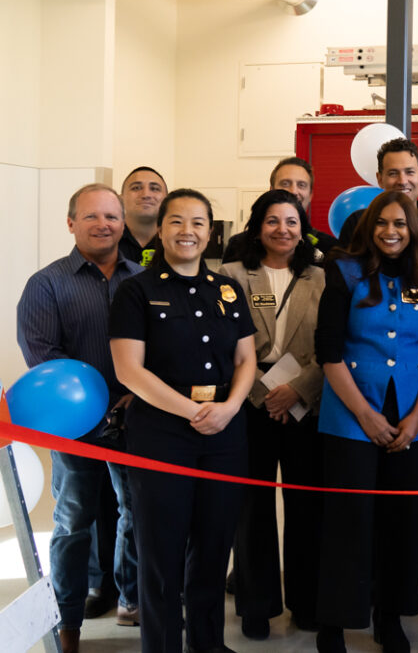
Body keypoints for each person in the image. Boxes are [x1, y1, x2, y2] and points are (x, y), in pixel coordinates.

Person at [110, 189, 257, 653]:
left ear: (211, 233)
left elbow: (246, 358)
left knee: (213, 549)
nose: (187, 232)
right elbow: (129, 369)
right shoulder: (136, 291)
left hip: (225, 435)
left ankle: (208, 644)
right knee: (161, 556)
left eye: (197, 223)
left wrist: (231, 408)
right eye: (176, 222)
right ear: (160, 230)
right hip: (163, 437)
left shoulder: (228, 290)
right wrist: (193, 411)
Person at [314, 191, 418, 653]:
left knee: (402, 523)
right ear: (369, 227)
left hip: (411, 417)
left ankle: (390, 617)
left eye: (401, 224)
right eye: (383, 223)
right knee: (349, 523)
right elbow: (327, 350)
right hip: (351, 416)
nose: (392, 232)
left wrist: (416, 418)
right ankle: (335, 622)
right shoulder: (344, 271)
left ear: (413, 232)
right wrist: (366, 415)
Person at [17, 183, 142, 653]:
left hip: (136, 418)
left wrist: (131, 397)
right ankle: (67, 622)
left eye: (111, 216)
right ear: (71, 223)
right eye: (91, 217)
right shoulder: (46, 284)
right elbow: (44, 358)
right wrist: (99, 403)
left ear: (123, 223)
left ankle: (131, 600)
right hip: (74, 428)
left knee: (136, 514)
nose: (102, 225)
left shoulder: (142, 280)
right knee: (72, 523)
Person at [340, 138, 418, 597]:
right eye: (392, 173)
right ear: (378, 179)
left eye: (410, 172)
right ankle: (373, 566)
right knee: (372, 477)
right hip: (370, 371)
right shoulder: (360, 223)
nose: (402, 181)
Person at [218, 189, 326, 639]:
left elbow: (336, 344)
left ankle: (307, 601)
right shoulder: (229, 276)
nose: (283, 229)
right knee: (253, 509)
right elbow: (222, 342)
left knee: (307, 508)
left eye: (292, 222)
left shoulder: (322, 277)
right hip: (249, 404)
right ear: (257, 226)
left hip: (308, 403)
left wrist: (298, 390)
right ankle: (257, 604)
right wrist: (266, 395)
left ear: (303, 230)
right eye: (272, 221)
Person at [222, 156, 338, 264]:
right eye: (285, 183)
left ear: (311, 194)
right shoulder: (239, 245)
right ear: (271, 190)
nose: (293, 191)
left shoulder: (329, 248)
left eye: (301, 185)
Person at [118, 166, 168, 266]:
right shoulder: (107, 239)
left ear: (167, 199)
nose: (146, 195)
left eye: (154, 188)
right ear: (121, 198)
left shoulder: (177, 241)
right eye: (136, 188)